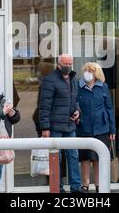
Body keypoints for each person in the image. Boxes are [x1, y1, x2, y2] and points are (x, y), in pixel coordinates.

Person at [38, 54, 83, 193]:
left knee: (74, 156)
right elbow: (44, 105)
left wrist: (77, 111)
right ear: (59, 64)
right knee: (55, 159)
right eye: (65, 63)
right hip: (54, 126)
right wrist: (45, 128)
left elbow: (75, 100)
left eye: (70, 63)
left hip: (70, 126)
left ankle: (76, 187)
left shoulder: (74, 79)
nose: (68, 66)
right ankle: (57, 188)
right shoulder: (50, 80)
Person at [76, 62, 116, 193]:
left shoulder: (103, 87)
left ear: (96, 73)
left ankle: (99, 185)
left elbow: (109, 108)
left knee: (98, 158)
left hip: (102, 128)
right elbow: (75, 103)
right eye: (86, 70)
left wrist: (112, 129)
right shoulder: (78, 86)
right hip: (83, 127)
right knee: (85, 158)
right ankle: (85, 184)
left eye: (90, 70)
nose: (87, 73)